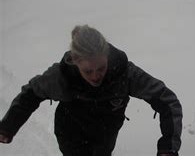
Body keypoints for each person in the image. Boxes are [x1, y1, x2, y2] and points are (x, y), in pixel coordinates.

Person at [0, 25, 182, 156]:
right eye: (88, 71)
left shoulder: (123, 73)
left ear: (107, 57)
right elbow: (30, 95)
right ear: (75, 62)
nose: (96, 76)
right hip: (70, 134)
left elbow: (167, 101)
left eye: (101, 68)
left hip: (106, 134)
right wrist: (7, 127)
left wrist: (168, 147)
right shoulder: (61, 77)